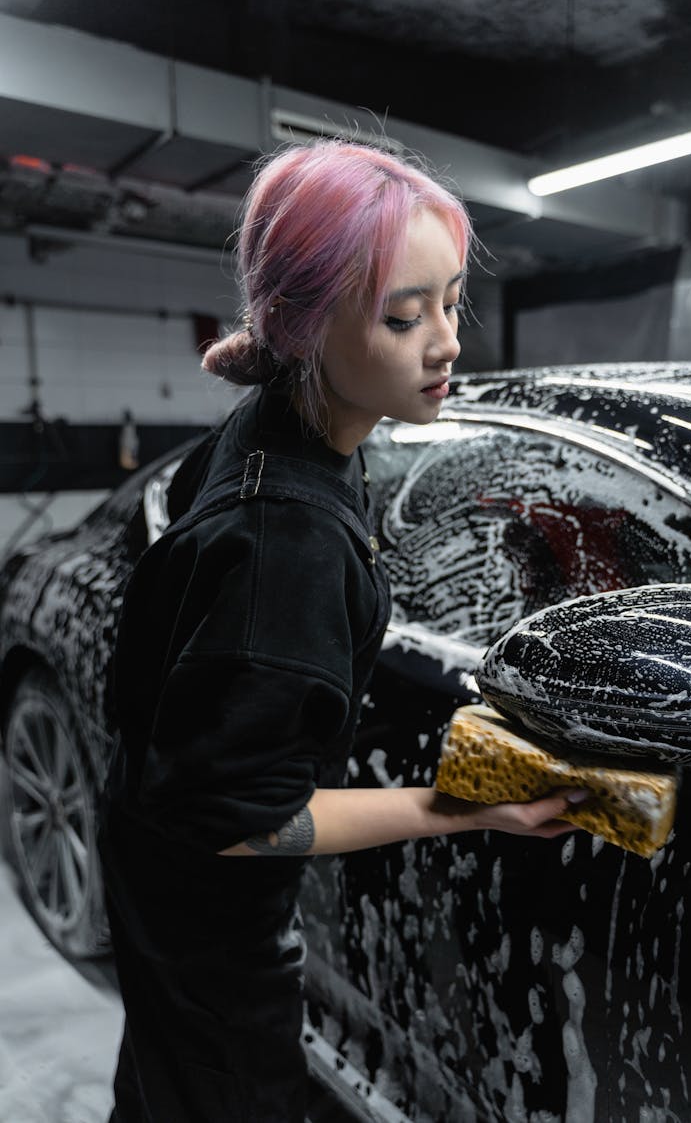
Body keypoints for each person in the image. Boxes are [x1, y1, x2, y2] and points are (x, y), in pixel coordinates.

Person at [98, 139, 586, 1123]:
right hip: (207, 924)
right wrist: (462, 808)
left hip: (150, 862)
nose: (445, 340)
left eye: (451, 301)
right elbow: (237, 820)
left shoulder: (293, 418)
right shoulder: (289, 542)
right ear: (304, 326)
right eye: (404, 317)